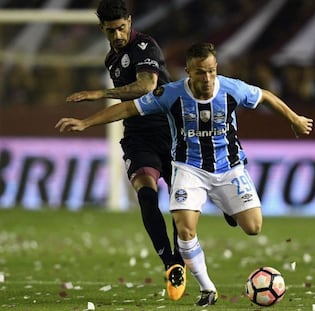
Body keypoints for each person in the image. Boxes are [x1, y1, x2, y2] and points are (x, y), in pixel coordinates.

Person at [56, 42, 313, 306]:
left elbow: (265, 96)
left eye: (212, 71)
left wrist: (294, 119)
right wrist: (86, 122)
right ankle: (207, 288)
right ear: (188, 71)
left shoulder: (232, 89)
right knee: (185, 230)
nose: (208, 78)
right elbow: (128, 108)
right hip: (189, 169)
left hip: (230, 168)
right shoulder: (171, 94)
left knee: (253, 228)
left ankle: (226, 205)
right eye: (201, 72)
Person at [65, 0, 186, 301]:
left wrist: (98, 93)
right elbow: (128, 107)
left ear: (130, 22)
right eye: (111, 30)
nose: (117, 35)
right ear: (102, 29)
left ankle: (181, 260)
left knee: (180, 202)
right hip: (137, 135)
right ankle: (170, 263)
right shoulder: (111, 59)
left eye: (121, 28)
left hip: (169, 129)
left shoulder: (145, 46)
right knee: (146, 194)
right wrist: (85, 123)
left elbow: (146, 87)